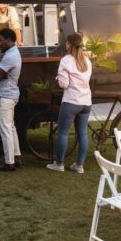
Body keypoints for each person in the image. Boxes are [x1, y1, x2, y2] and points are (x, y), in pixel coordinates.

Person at [47, 33, 92, 174]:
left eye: (66, 43)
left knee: (63, 133)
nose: (65, 45)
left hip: (71, 101)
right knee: (83, 134)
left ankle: (59, 164)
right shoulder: (87, 61)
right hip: (86, 102)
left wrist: (58, 77)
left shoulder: (66, 60)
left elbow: (64, 84)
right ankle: (79, 166)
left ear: (70, 45)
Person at [0, 28, 22, 171]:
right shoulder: (13, 53)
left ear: (9, 40)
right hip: (11, 94)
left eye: (0, 40)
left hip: (5, 95)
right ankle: (16, 157)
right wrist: (0, 72)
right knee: (11, 128)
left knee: (6, 130)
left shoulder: (10, 56)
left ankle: (9, 162)